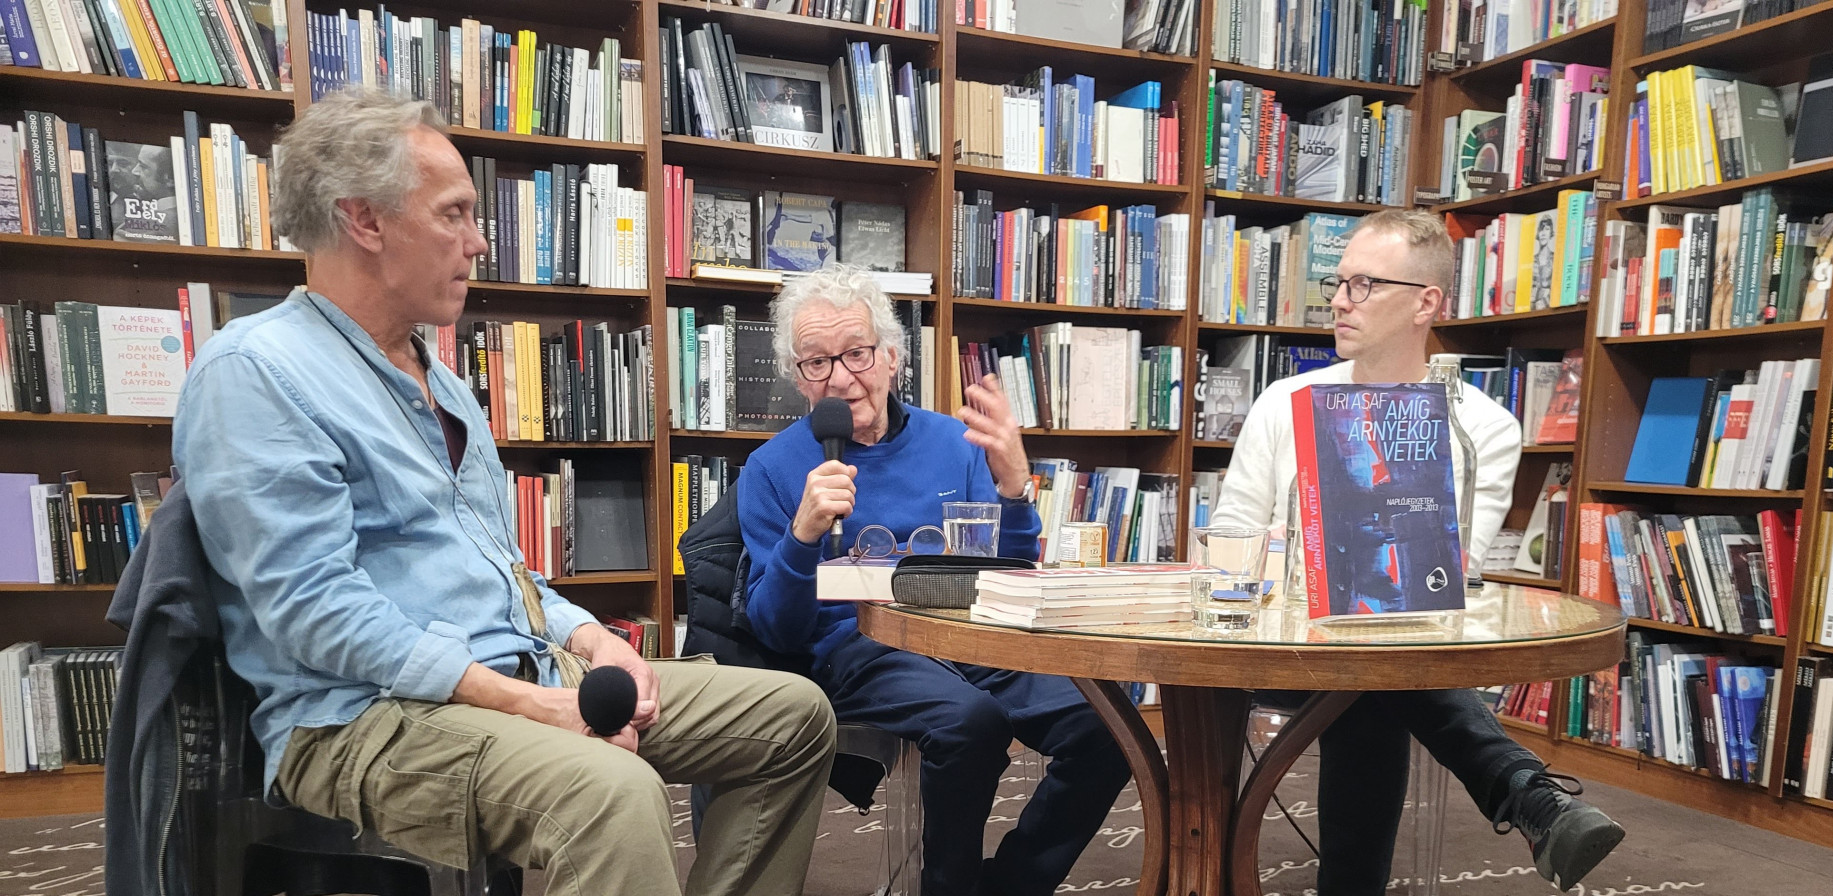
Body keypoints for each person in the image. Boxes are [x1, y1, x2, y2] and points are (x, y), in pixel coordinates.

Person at [172, 88, 836, 896]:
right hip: (366, 720)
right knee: (611, 795)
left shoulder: (445, 385)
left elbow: (507, 573)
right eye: (453, 214)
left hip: (524, 671)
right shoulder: (256, 372)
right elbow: (312, 610)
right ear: (365, 220)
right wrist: (526, 704)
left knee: (794, 717)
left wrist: (593, 640)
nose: (479, 242)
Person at [1212, 209, 1625, 894]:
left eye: (1365, 284)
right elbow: (1231, 545)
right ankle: (1524, 791)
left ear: (1425, 303)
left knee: (1374, 673)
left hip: (1399, 647)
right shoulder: (1286, 401)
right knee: (1380, 673)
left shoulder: (1482, 427)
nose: (1339, 301)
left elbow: (1451, 575)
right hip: (1282, 642)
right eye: (1339, 282)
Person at [734, 264, 1133, 896]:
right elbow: (778, 632)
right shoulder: (770, 468)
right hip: (861, 647)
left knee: (1110, 723)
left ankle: (1011, 886)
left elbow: (1010, 573)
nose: (841, 376)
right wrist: (802, 537)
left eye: (857, 353)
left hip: (969, 629)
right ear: (797, 376)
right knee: (969, 724)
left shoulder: (954, 441)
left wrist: (1014, 490)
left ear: (892, 358)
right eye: (817, 362)